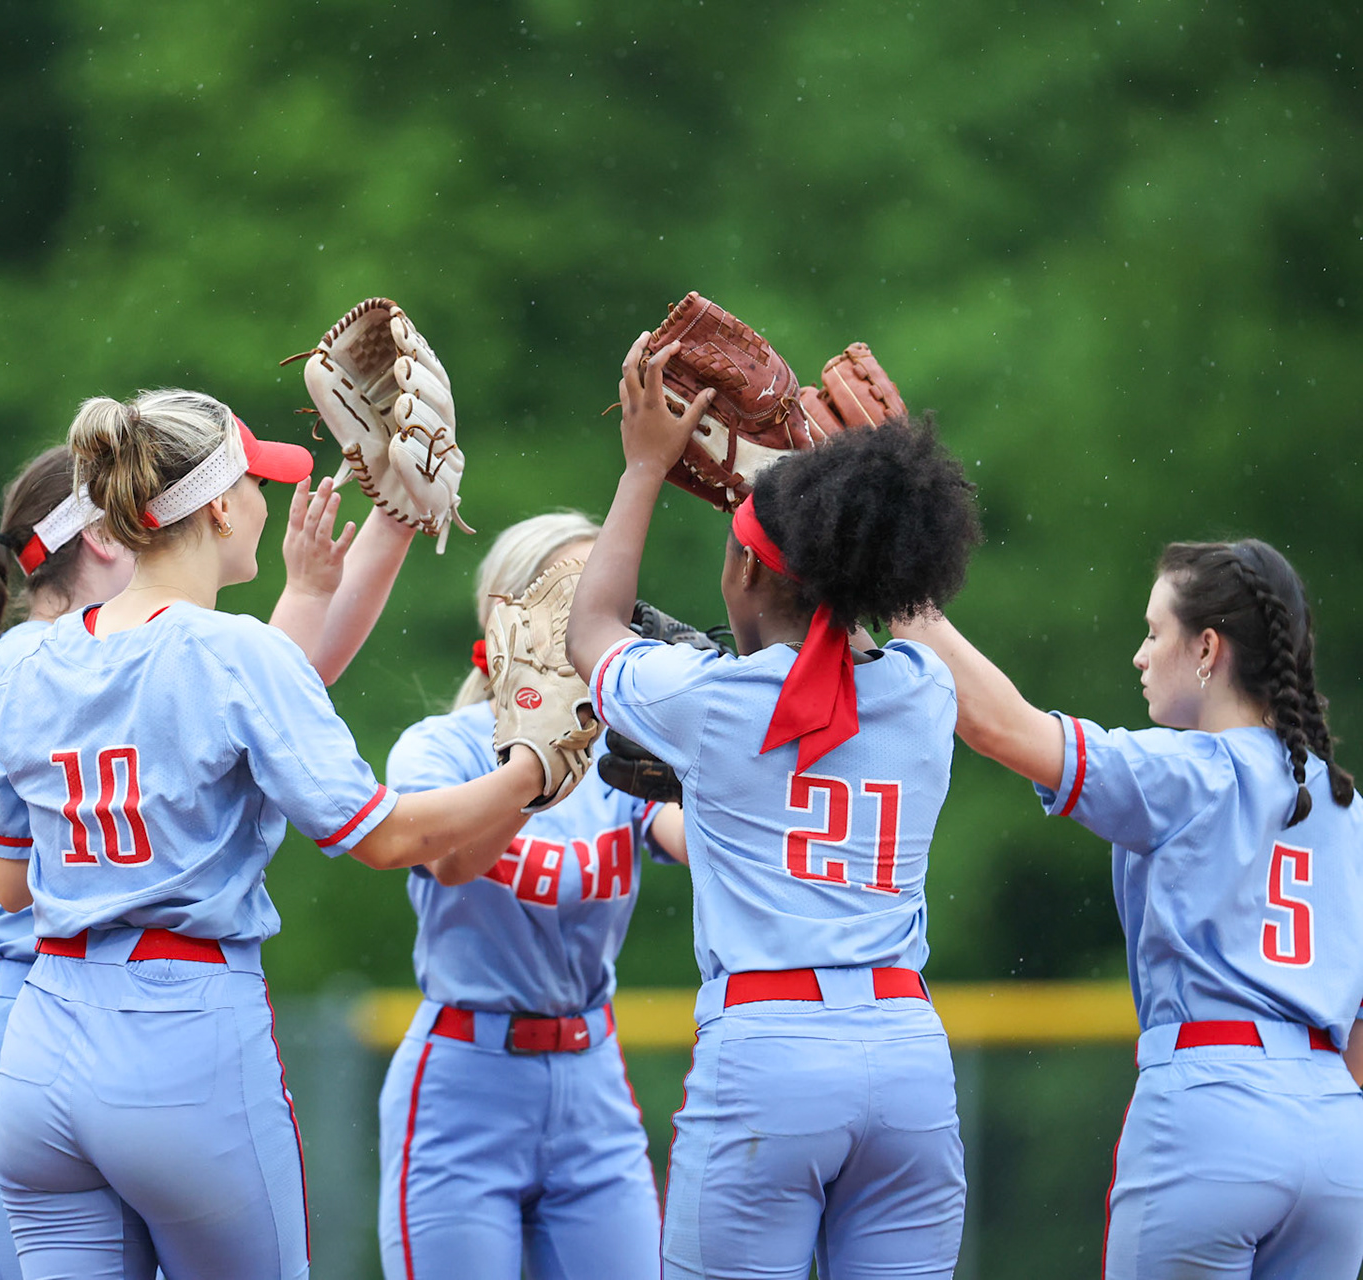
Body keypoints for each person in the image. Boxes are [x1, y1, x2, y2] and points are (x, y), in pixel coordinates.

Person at [0, 388, 565, 1280]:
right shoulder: (231, 653)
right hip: (181, 1038)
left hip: (43, 1052)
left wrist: (378, 537)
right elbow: (386, 838)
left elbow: (13, 885)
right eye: (256, 482)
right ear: (218, 505)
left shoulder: (33, 657)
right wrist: (531, 771)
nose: (266, 499)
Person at [0, 433, 414, 1280]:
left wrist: (383, 533)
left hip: (68, 1016)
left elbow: (268, 705)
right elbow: (260, 691)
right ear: (107, 537)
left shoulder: (93, 654)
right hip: (24, 1014)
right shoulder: (50, 655)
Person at [565, 334, 982, 1279]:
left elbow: (592, 630)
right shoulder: (925, 692)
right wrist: (874, 498)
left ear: (747, 574)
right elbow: (880, 636)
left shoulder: (713, 702)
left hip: (772, 1056)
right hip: (908, 1055)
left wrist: (643, 467)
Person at [891, 540, 1363, 1279]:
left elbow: (1001, 727)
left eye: (1154, 632)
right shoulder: (1347, 808)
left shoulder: (1183, 771)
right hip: (1337, 1134)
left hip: (1213, 1108)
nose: (1141, 656)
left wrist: (895, 584)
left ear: (1208, 648)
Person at [376, 512, 687, 1280]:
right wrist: (536, 758)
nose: (587, 614)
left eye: (601, 596)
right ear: (502, 617)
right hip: (464, 1082)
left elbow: (706, 844)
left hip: (591, 1085)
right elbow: (452, 864)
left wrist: (716, 738)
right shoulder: (441, 746)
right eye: (565, 596)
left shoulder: (621, 756)